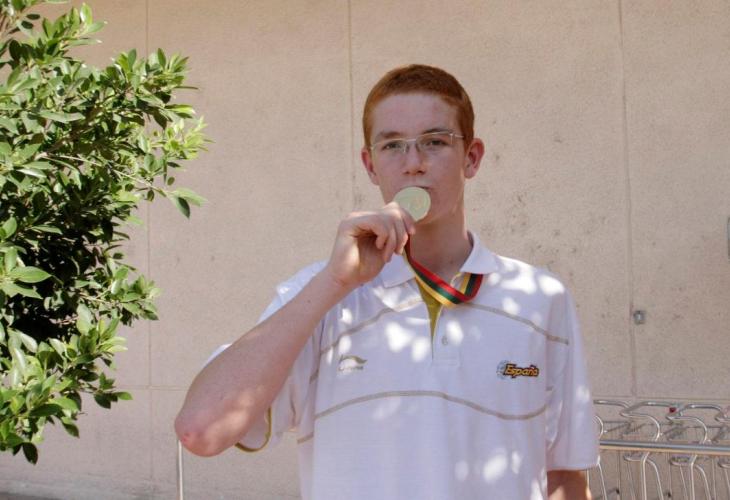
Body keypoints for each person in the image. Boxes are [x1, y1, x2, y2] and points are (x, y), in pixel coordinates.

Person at [175, 64, 599, 499]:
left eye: (435, 141)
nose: (413, 164)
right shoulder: (322, 297)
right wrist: (334, 282)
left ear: (471, 157)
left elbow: (565, 478)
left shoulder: (541, 299)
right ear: (370, 164)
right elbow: (200, 431)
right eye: (393, 145)